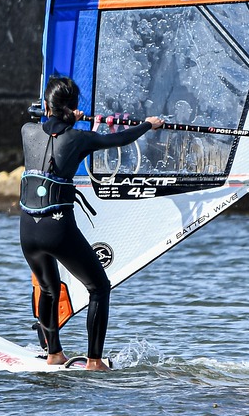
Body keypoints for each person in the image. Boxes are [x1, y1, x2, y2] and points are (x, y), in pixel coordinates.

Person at [19, 75, 161, 370]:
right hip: (57, 230)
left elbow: (48, 129)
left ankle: (54, 354)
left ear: (46, 105)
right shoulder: (80, 138)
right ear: (72, 107)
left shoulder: (26, 131)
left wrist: (64, 117)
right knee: (99, 288)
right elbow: (119, 139)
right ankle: (94, 361)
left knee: (48, 289)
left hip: (28, 231)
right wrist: (148, 124)